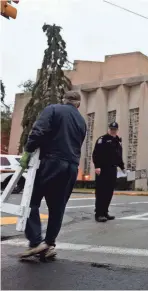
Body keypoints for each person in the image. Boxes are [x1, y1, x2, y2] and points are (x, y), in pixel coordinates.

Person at [19, 91, 87, 258]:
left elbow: (39, 130)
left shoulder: (54, 109)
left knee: (31, 201)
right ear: (78, 104)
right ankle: (49, 244)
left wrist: (28, 150)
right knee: (57, 207)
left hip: (52, 162)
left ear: (64, 100)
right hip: (71, 167)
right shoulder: (82, 122)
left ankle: (36, 242)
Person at [92, 122, 126, 222]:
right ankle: (99, 214)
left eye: (115, 129)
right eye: (111, 129)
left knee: (109, 192)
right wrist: (97, 166)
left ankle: (105, 212)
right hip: (102, 169)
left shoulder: (117, 141)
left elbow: (118, 156)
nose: (113, 131)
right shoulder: (102, 139)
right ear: (109, 129)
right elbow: (96, 154)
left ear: (117, 130)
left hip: (112, 169)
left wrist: (122, 167)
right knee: (101, 191)